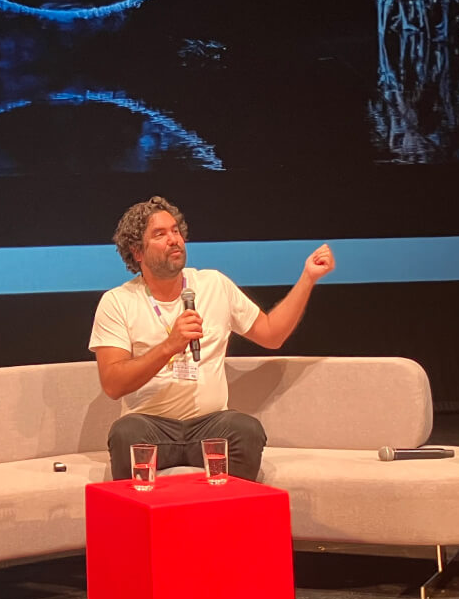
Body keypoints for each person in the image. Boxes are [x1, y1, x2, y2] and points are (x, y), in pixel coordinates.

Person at [89, 195, 334, 483]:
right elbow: (113, 383)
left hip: (210, 425)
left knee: (245, 430)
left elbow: (272, 335)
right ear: (137, 252)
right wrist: (170, 346)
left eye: (176, 231)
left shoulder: (213, 284)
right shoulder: (118, 301)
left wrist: (307, 278)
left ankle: (230, 521)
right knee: (126, 435)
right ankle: (139, 524)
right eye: (160, 234)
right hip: (151, 426)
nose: (174, 239)